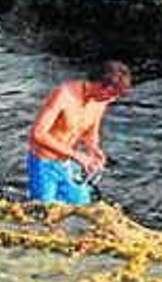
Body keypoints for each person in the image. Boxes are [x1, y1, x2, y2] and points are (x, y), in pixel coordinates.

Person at [27, 60, 133, 205]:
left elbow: (91, 133)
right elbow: (37, 134)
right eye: (110, 95)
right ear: (100, 85)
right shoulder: (63, 95)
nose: (112, 100)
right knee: (44, 213)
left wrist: (94, 150)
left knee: (83, 207)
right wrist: (78, 156)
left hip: (68, 164)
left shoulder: (101, 101)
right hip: (44, 165)